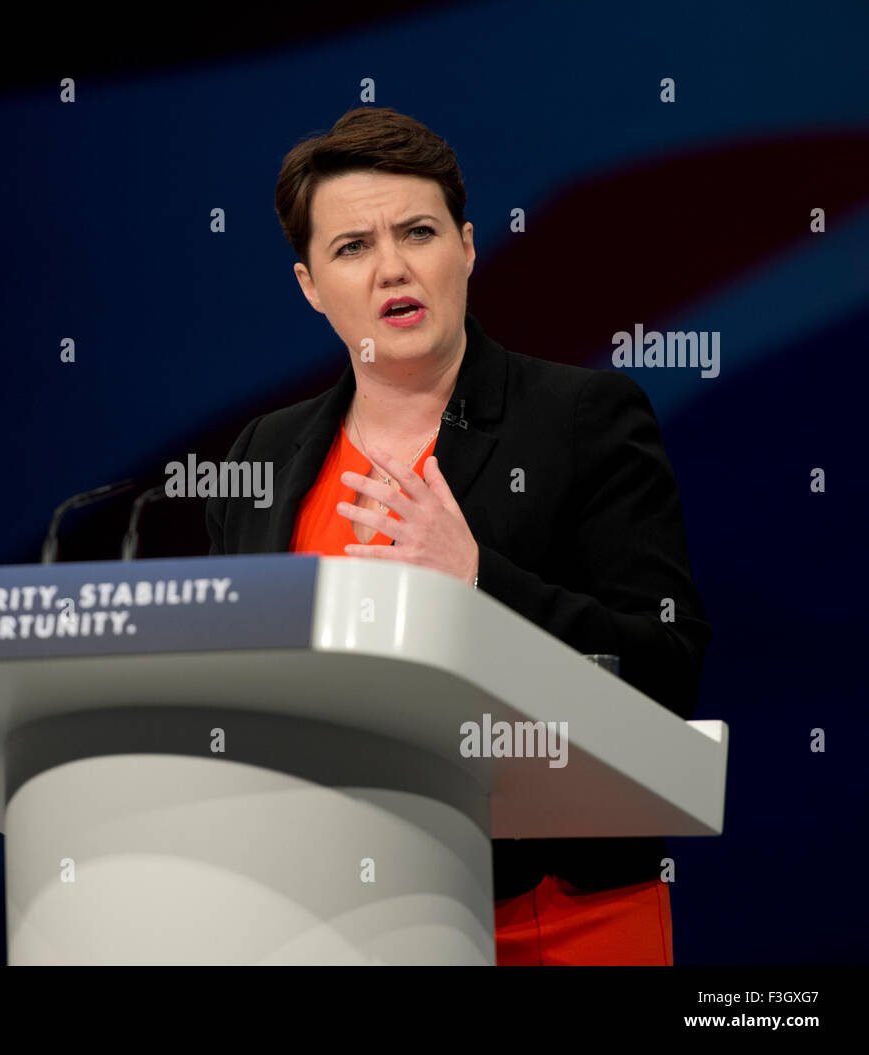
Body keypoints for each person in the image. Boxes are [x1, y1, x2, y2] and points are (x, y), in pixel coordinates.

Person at [205, 107, 712, 965]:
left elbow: (665, 669)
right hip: (333, 921)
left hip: (556, 920)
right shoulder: (264, 453)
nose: (393, 267)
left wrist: (477, 578)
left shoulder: (583, 419)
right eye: (352, 247)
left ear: (468, 248)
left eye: (418, 231)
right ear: (309, 285)